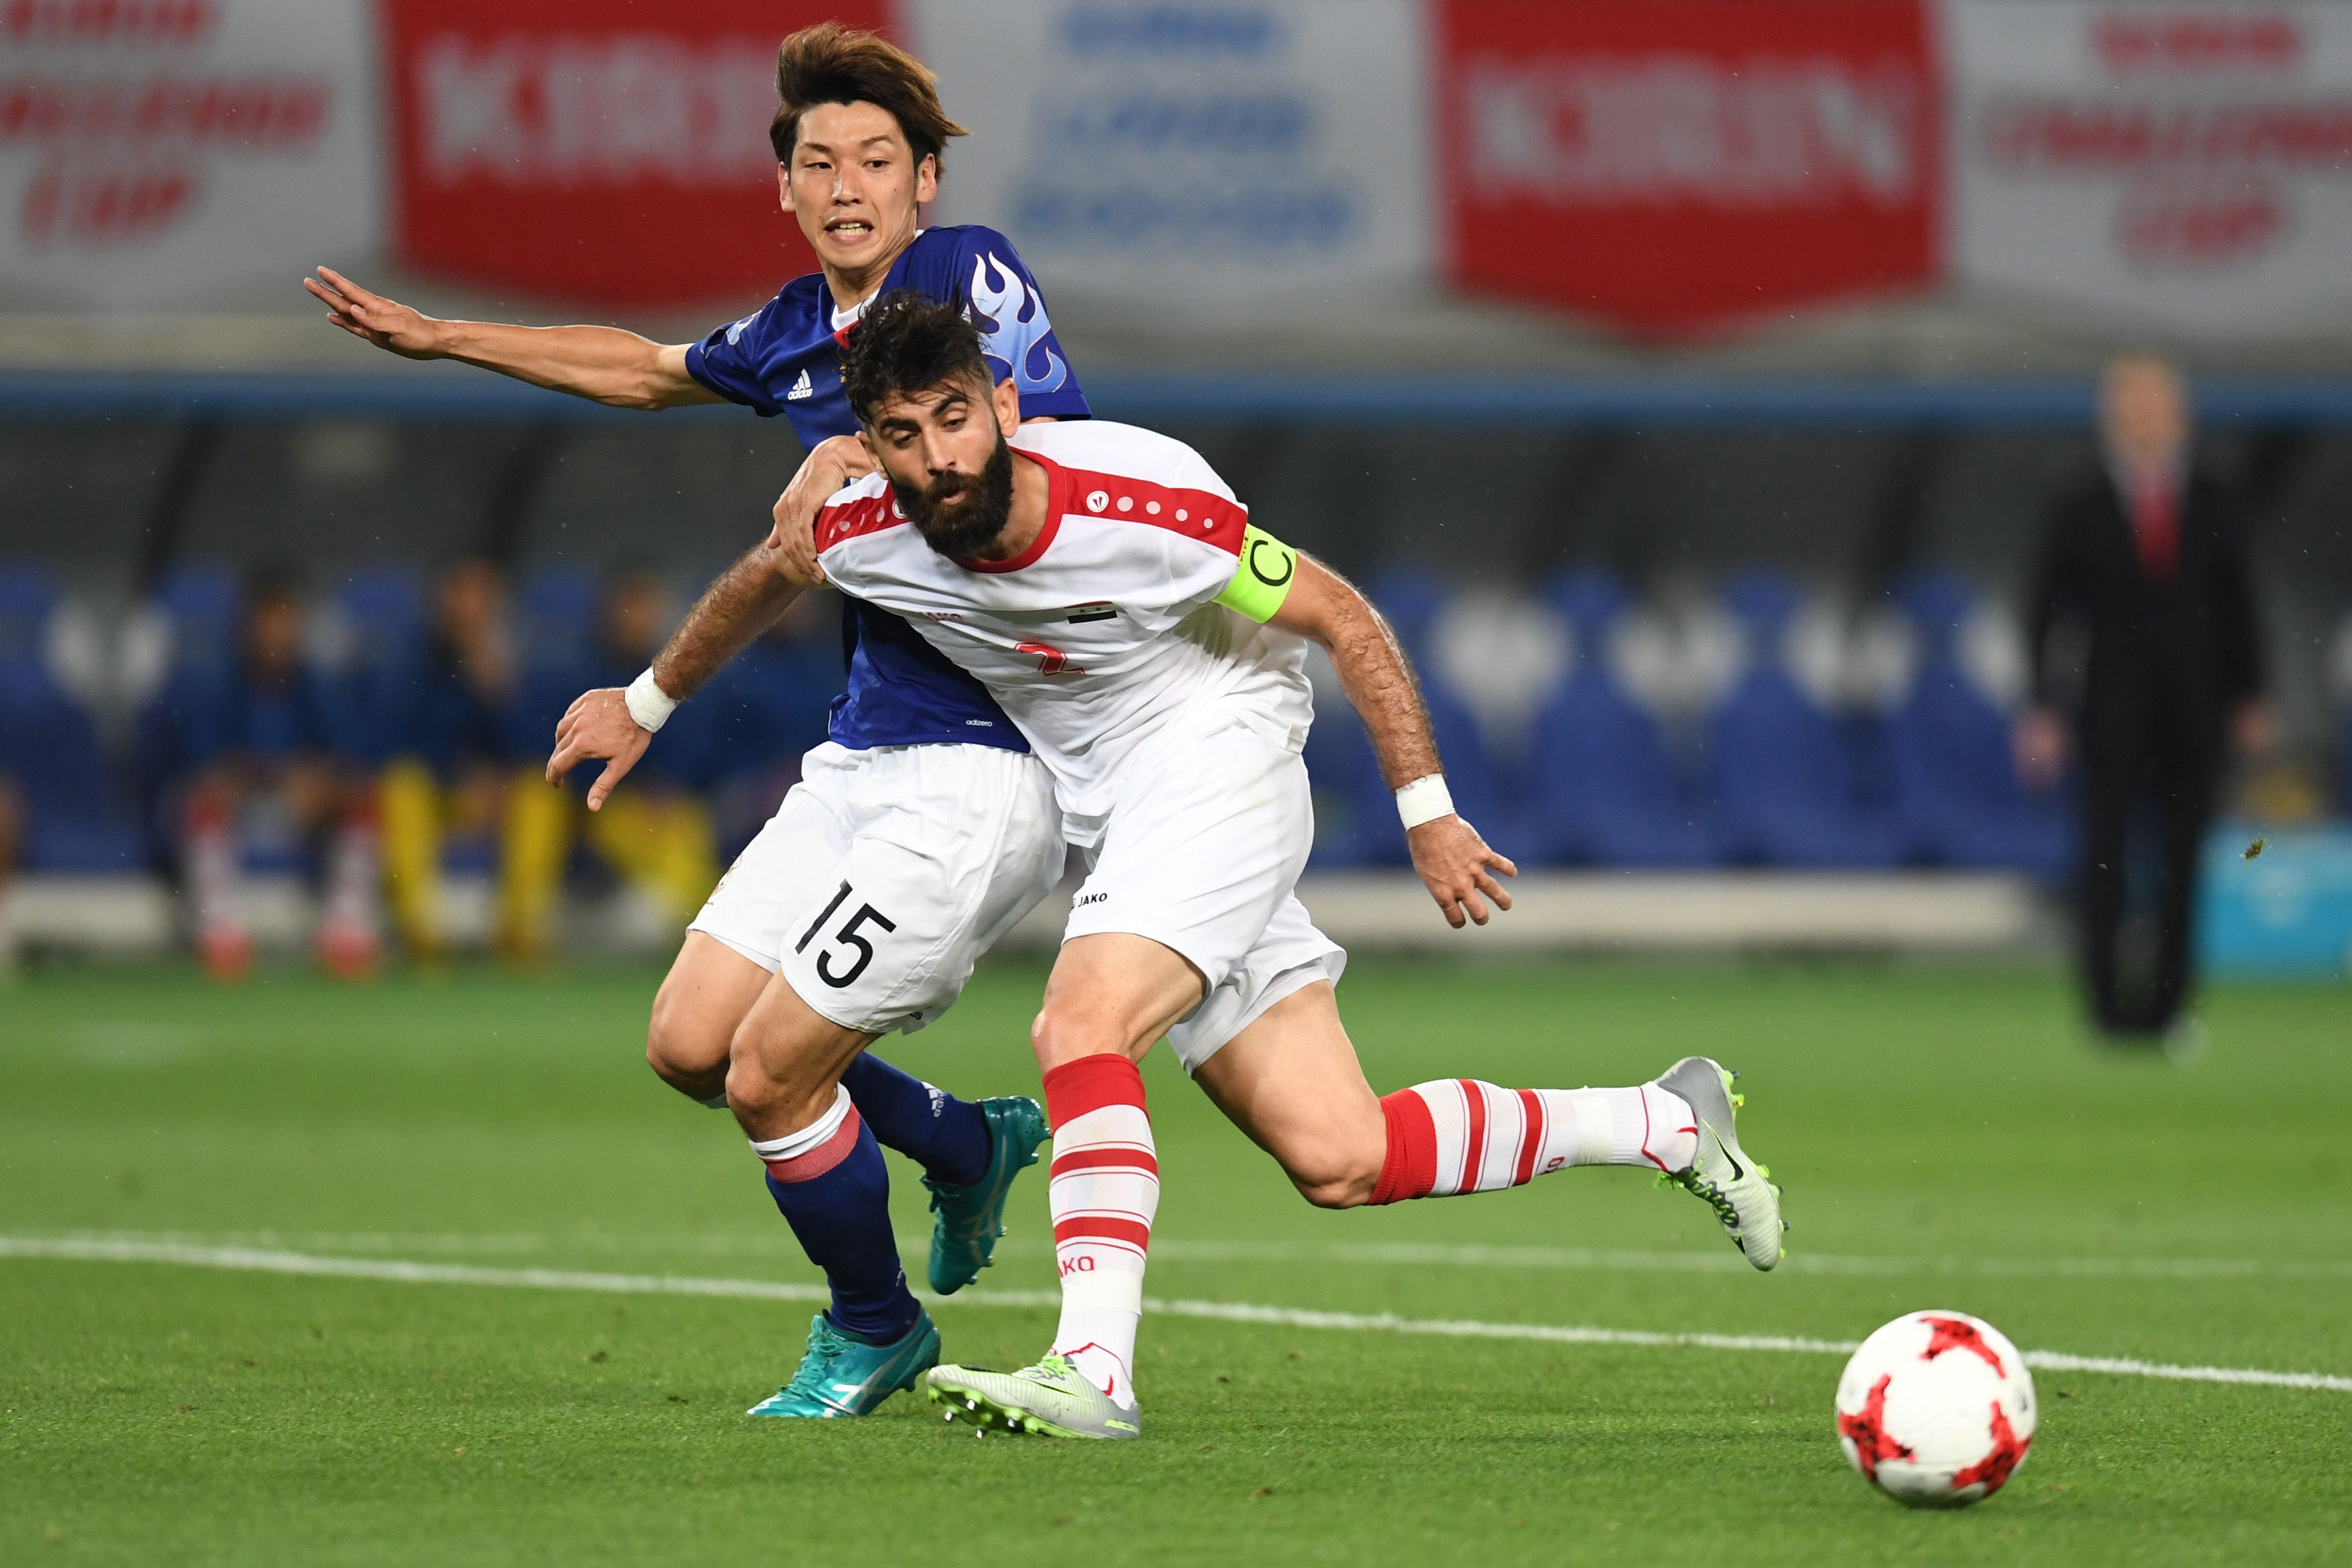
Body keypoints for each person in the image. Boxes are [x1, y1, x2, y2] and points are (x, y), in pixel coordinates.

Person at [774, 292, 1788, 1440]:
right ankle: (1664, 1121)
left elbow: (1342, 615)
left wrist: (1428, 812)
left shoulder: (1142, 500)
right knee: (1341, 1153)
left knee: (1079, 1023)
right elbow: (765, 570)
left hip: (1225, 762)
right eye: (899, 435)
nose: (933, 456)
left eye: (952, 419)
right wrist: (651, 696)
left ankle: (1091, 1367)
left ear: (1003, 406)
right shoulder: (880, 521)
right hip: (1133, 816)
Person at [307, 24, 1079, 1417]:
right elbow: (641, 366)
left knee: (773, 1071)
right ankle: (961, 1144)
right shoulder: (792, 332)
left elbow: (1050, 448)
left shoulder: (967, 277)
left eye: (876, 162)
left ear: (920, 187)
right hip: (863, 754)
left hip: (992, 765)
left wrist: (873, 446)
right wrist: (444, 337)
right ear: (784, 188)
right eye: (818, 161)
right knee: (688, 1044)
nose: (847, 185)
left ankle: (873, 1325)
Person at [2016, 355, 2270, 1046]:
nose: (2142, 420)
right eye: (2128, 407)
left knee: (2185, 858)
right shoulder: (2077, 492)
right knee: (2103, 856)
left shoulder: (2215, 489)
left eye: (2154, 405)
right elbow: (2046, 604)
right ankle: (2103, 1008)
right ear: (2109, 418)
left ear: (2178, 415)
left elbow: (2238, 600)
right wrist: (2042, 704)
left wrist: (2250, 695)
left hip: (2196, 705)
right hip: (2110, 705)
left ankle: (2168, 1009)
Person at [150, 570, 383, 982]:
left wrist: (319, 781)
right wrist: (261, 776)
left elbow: (344, 760)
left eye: (287, 618)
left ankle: (347, 928)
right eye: (269, 619)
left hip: (297, 809)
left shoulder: (314, 684)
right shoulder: (216, 683)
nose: (278, 631)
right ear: (246, 624)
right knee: (203, 798)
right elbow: (205, 764)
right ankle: (222, 931)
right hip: (237, 808)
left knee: (360, 798)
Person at [500, 568, 721, 956]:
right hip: (565, 797)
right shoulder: (570, 668)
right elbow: (536, 743)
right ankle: (520, 935)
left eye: (649, 608)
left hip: (625, 804)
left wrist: (665, 784)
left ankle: (697, 942)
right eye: (633, 606)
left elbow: (689, 753)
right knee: (533, 800)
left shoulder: (670, 675)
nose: (641, 618)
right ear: (609, 610)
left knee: (685, 826)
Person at [377, 557, 519, 961]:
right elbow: (400, 736)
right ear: (447, 598)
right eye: (468, 593)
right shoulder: (414, 656)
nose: (477, 606)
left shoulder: (502, 662)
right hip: (434, 792)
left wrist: (498, 696)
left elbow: (533, 744)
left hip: (487, 798)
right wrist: (459, 776)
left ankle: (520, 928)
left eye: (486, 595)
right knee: (401, 785)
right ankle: (420, 931)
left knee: (539, 794)